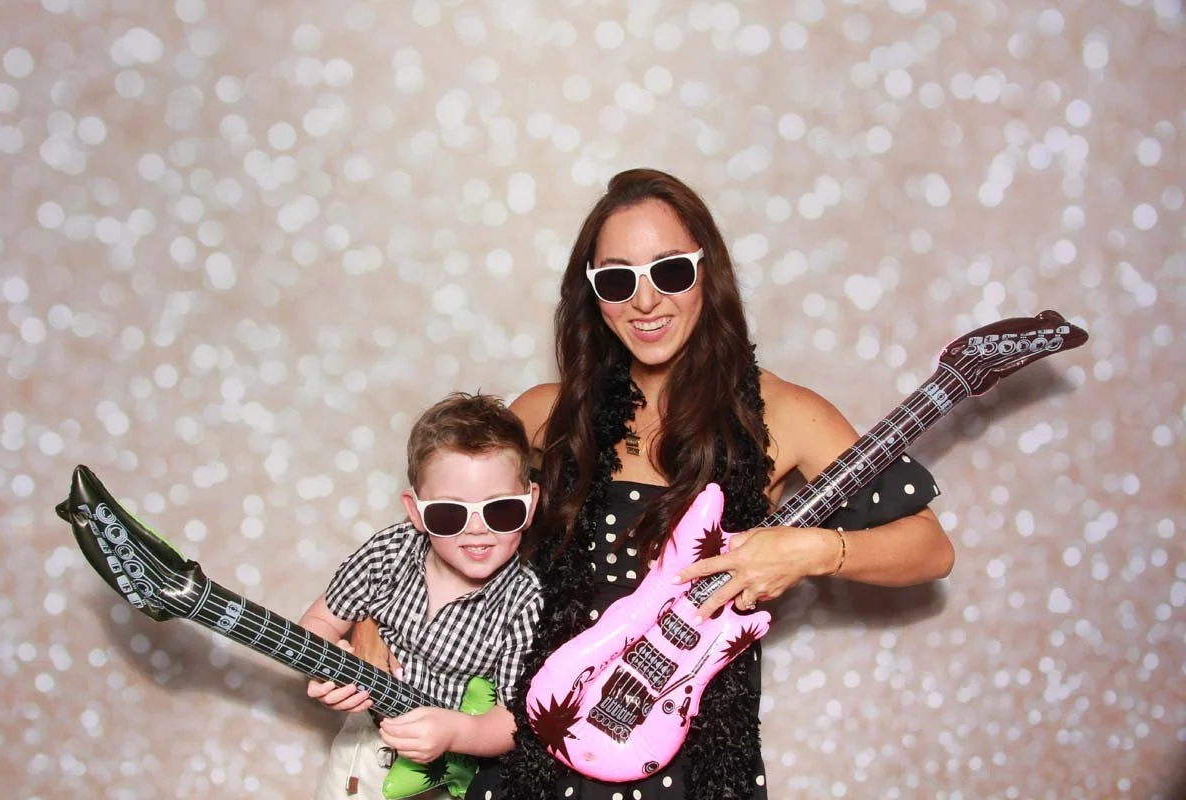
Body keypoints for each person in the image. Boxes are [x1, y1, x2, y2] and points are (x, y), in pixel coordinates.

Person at [356, 168, 955, 800]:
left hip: (684, 761)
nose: (646, 302)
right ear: (593, 294)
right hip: (533, 748)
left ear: (708, 273)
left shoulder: (782, 414)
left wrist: (811, 550)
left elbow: (930, 548)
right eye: (618, 279)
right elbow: (439, 537)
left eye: (670, 271)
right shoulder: (543, 413)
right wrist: (371, 622)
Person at [299, 391, 543, 800]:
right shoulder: (388, 552)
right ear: (415, 511)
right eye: (450, 512)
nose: (479, 529)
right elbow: (320, 621)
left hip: (450, 773)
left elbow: (513, 720)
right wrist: (327, 667)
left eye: (501, 510)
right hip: (363, 752)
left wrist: (455, 731)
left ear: (531, 503)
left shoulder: (525, 600)